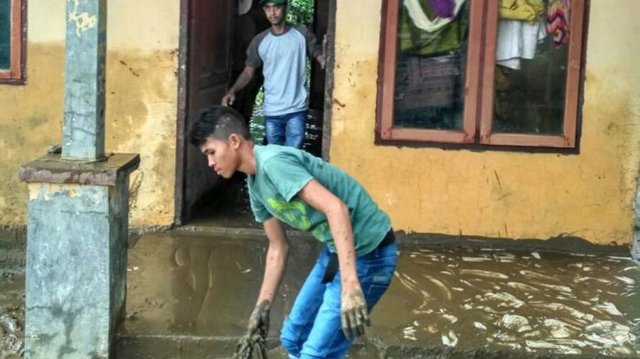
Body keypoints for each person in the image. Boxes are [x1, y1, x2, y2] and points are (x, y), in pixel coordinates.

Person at [189, 106, 397, 359]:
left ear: (234, 141)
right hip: (334, 254)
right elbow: (278, 247)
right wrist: (261, 309)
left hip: (369, 256)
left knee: (315, 354)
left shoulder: (274, 164)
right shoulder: (255, 185)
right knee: (293, 339)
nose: (210, 163)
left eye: (211, 152)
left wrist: (350, 285)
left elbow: (336, 209)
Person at [221, 0, 325, 149]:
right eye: (268, 8)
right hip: (272, 111)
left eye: (277, 7)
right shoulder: (259, 41)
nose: (272, 12)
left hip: (296, 109)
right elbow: (248, 71)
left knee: (293, 156)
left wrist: (323, 59)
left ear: (286, 8)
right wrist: (233, 90)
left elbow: (317, 51)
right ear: (264, 11)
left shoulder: (302, 33)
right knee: (274, 155)